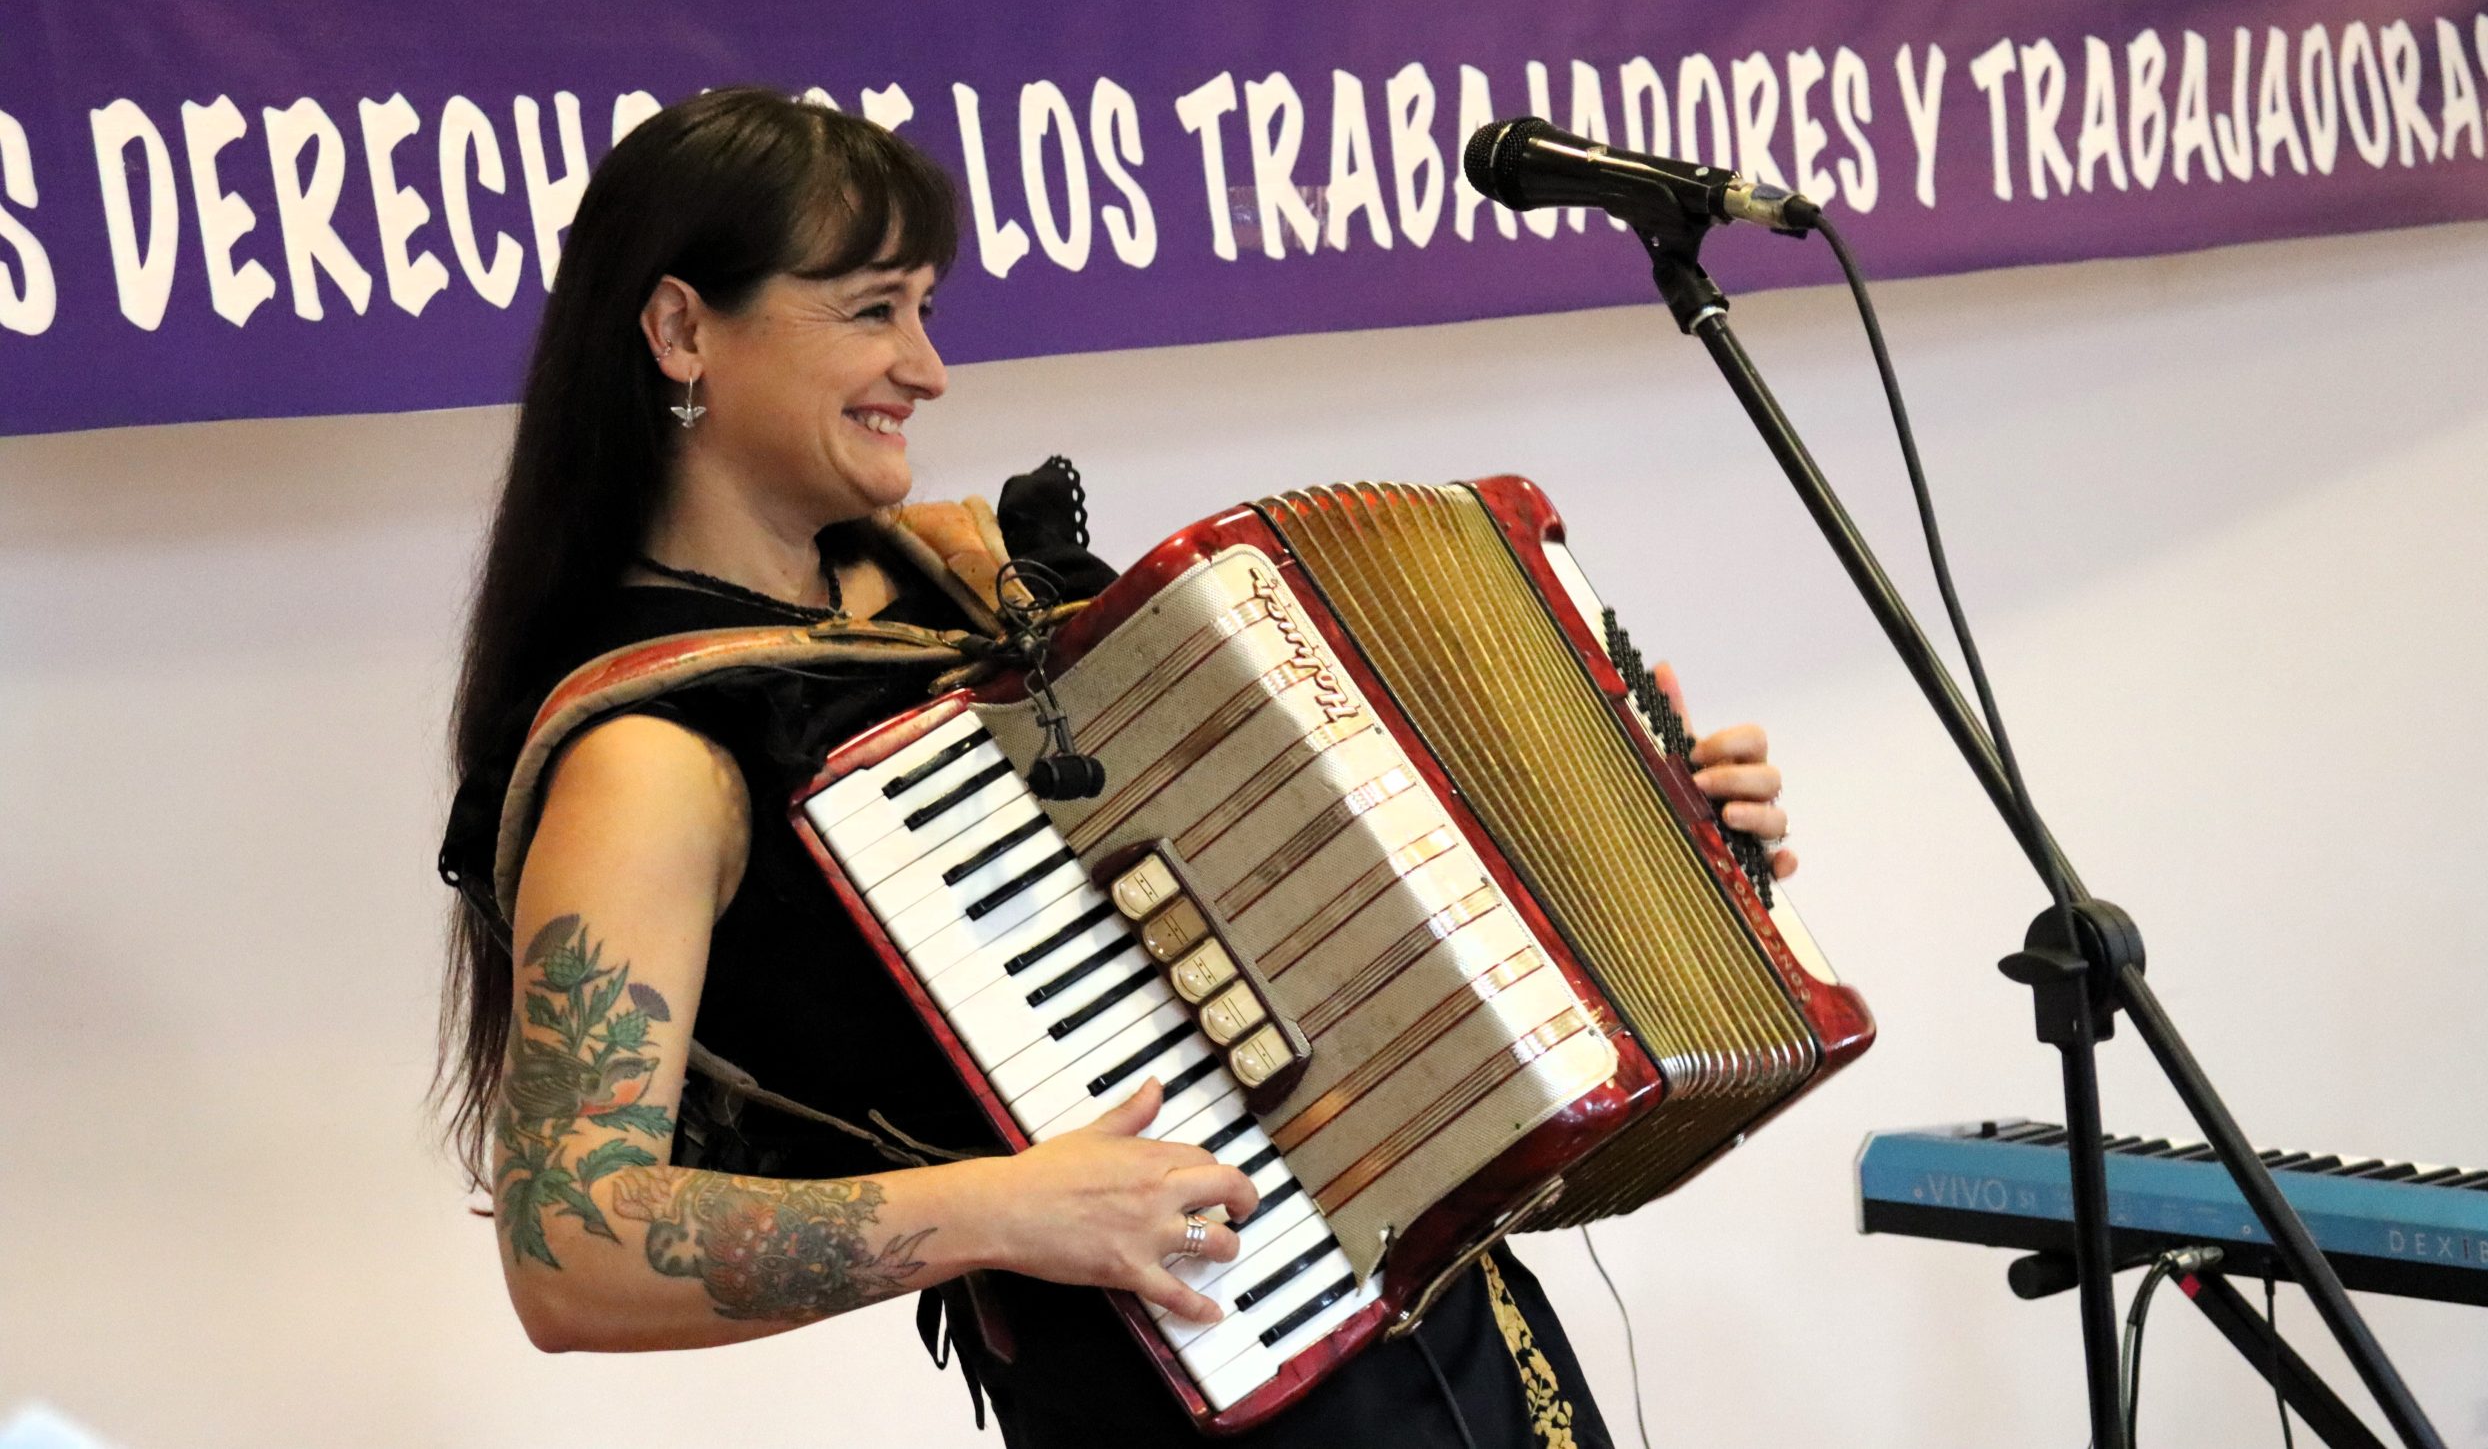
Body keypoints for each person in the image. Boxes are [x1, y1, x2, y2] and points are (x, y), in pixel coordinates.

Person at [435, 86, 1798, 1449]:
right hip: (1173, 1403)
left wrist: (1631, 814)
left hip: (1461, 1339)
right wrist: (1002, 1208)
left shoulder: (969, 594)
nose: (926, 368)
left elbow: (1294, 912)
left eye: (924, 308)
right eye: (870, 310)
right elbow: (573, 1249)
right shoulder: (650, 756)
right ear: (683, 331)